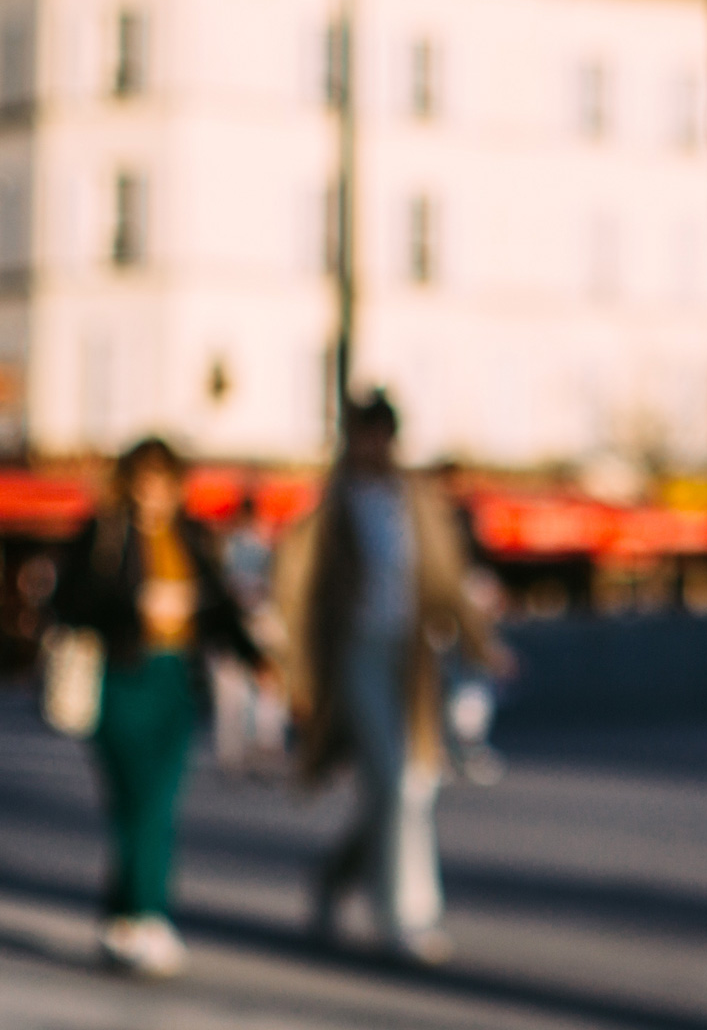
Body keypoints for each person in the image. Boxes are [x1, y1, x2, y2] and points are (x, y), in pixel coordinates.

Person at [274, 391, 500, 965]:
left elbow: (447, 575)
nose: (375, 446)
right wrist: (293, 672)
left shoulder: (416, 498)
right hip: (354, 655)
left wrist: (478, 644)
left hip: (413, 657)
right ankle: (408, 914)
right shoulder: (331, 506)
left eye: (382, 434)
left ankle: (333, 881)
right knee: (399, 780)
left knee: (405, 786)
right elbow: (296, 591)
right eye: (365, 434)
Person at [53, 436, 266, 977]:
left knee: (160, 799)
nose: (154, 492)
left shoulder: (191, 536)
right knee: (130, 800)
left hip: (174, 677)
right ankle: (135, 915)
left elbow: (219, 607)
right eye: (145, 479)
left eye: (164, 480)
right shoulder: (102, 534)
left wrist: (253, 657)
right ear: (130, 483)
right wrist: (132, 607)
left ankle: (138, 916)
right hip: (120, 676)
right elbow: (68, 603)